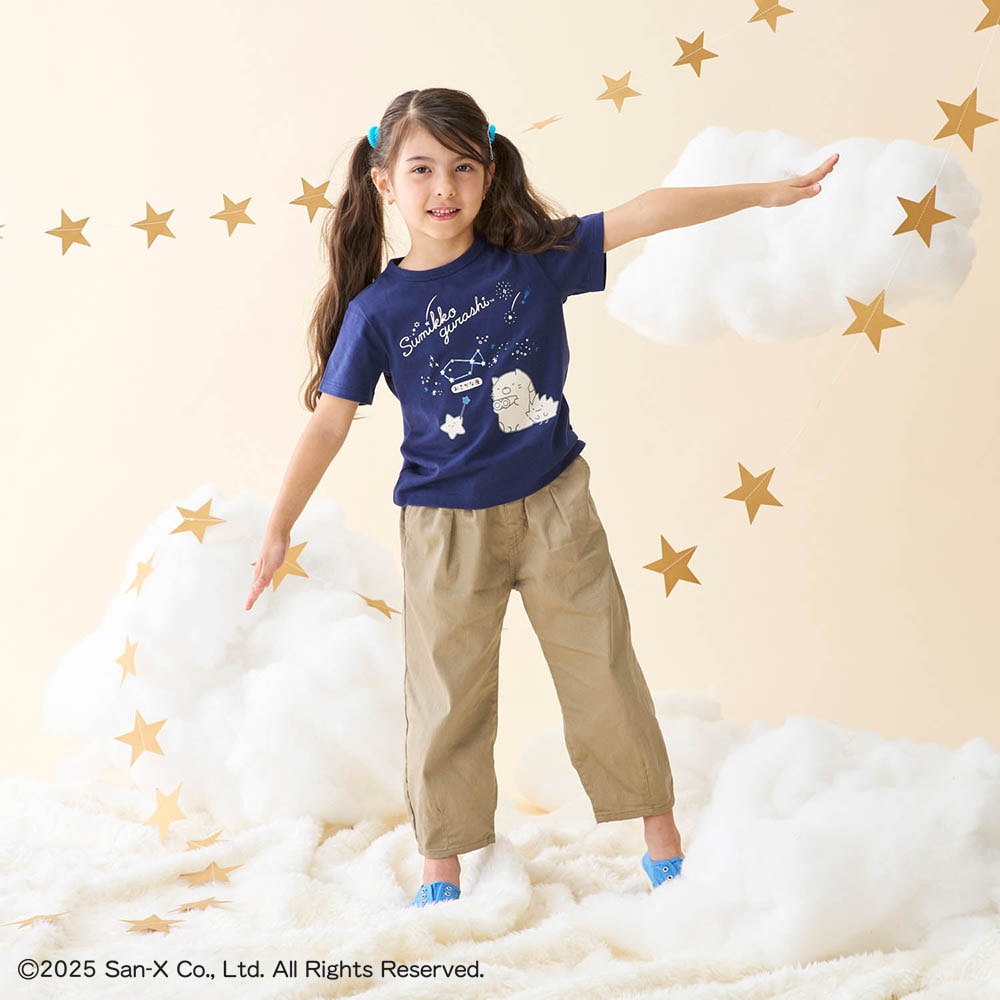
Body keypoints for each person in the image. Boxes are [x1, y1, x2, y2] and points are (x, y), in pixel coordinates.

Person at [245, 87, 838, 907]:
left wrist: (765, 192)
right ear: (384, 183)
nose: (443, 188)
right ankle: (443, 868)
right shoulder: (377, 310)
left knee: (604, 671)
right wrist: (279, 526)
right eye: (421, 170)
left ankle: (663, 848)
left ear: (489, 175)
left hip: (557, 506)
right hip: (445, 528)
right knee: (447, 698)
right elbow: (328, 424)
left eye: (463, 167)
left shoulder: (533, 260)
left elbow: (645, 211)